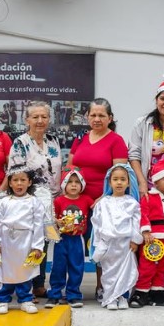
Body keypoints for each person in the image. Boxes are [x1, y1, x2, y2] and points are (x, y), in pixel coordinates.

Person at [66, 98, 129, 300]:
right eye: (93, 114)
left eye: (102, 115)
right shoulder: (80, 137)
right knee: (75, 246)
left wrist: (104, 197)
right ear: (87, 117)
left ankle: (104, 287)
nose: (97, 118)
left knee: (105, 246)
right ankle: (73, 289)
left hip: (105, 203)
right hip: (78, 202)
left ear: (110, 118)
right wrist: (72, 194)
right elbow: (71, 167)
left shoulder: (116, 141)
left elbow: (119, 174)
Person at [7, 101, 63, 300]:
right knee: (28, 241)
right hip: (29, 201)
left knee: (45, 242)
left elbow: (59, 169)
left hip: (53, 200)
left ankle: (38, 284)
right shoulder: (20, 143)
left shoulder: (54, 140)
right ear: (27, 119)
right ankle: (23, 283)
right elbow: (16, 174)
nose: (40, 121)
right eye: (35, 117)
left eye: (44, 117)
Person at [0, 166, 46, 315]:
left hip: (26, 241)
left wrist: (37, 246)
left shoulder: (34, 202)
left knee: (25, 271)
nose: (19, 184)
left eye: (23, 180)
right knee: (5, 271)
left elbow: (38, 224)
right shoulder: (4, 202)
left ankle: (25, 299)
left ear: (29, 182)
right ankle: (3, 300)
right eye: (15, 180)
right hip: (7, 242)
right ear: (9, 183)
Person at [91, 164, 143, 311]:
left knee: (126, 272)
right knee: (109, 272)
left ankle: (123, 297)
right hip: (109, 244)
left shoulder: (132, 203)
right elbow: (97, 223)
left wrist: (135, 240)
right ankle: (110, 298)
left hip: (126, 245)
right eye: (115, 179)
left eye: (122, 179)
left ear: (128, 182)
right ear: (109, 182)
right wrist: (99, 243)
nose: (119, 182)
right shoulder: (103, 203)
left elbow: (136, 222)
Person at [131, 159, 164, 308]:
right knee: (148, 265)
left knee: (163, 266)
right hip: (153, 239)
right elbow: (143, 215)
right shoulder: (148, 197)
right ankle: (141, 292)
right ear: (156, 182)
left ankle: (157, 291)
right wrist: (146, 232)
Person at [49, 167, 94, 308]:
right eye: (70, 182)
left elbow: (97, 206)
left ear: (82, 185)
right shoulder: (59, 201)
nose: (74, 185)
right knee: (58, 267)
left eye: (77, 182)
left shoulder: (86, 199)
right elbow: (53, 218)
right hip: (62, 239)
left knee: (77, 267)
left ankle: (73, 294)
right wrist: (57, 222)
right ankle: (55, 294)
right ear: (64, 185)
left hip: (77, 239)